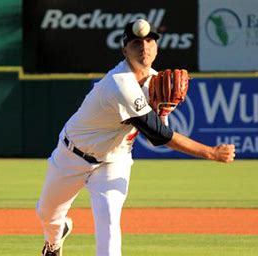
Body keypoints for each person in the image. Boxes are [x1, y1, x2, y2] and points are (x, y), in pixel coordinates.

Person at [36, 19, 236, 256]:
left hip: (114, 161)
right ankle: (54, 243)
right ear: (125, 50)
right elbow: (161, 136)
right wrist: (210, 152)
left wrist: (162, 112)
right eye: (136, 42)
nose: (144, 47)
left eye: (150, 40)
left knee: (109, 223)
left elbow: (155, 134)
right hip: (73, 154)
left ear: (157, 47)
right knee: (48, 214)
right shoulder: (119, 83)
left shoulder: (157, 80)